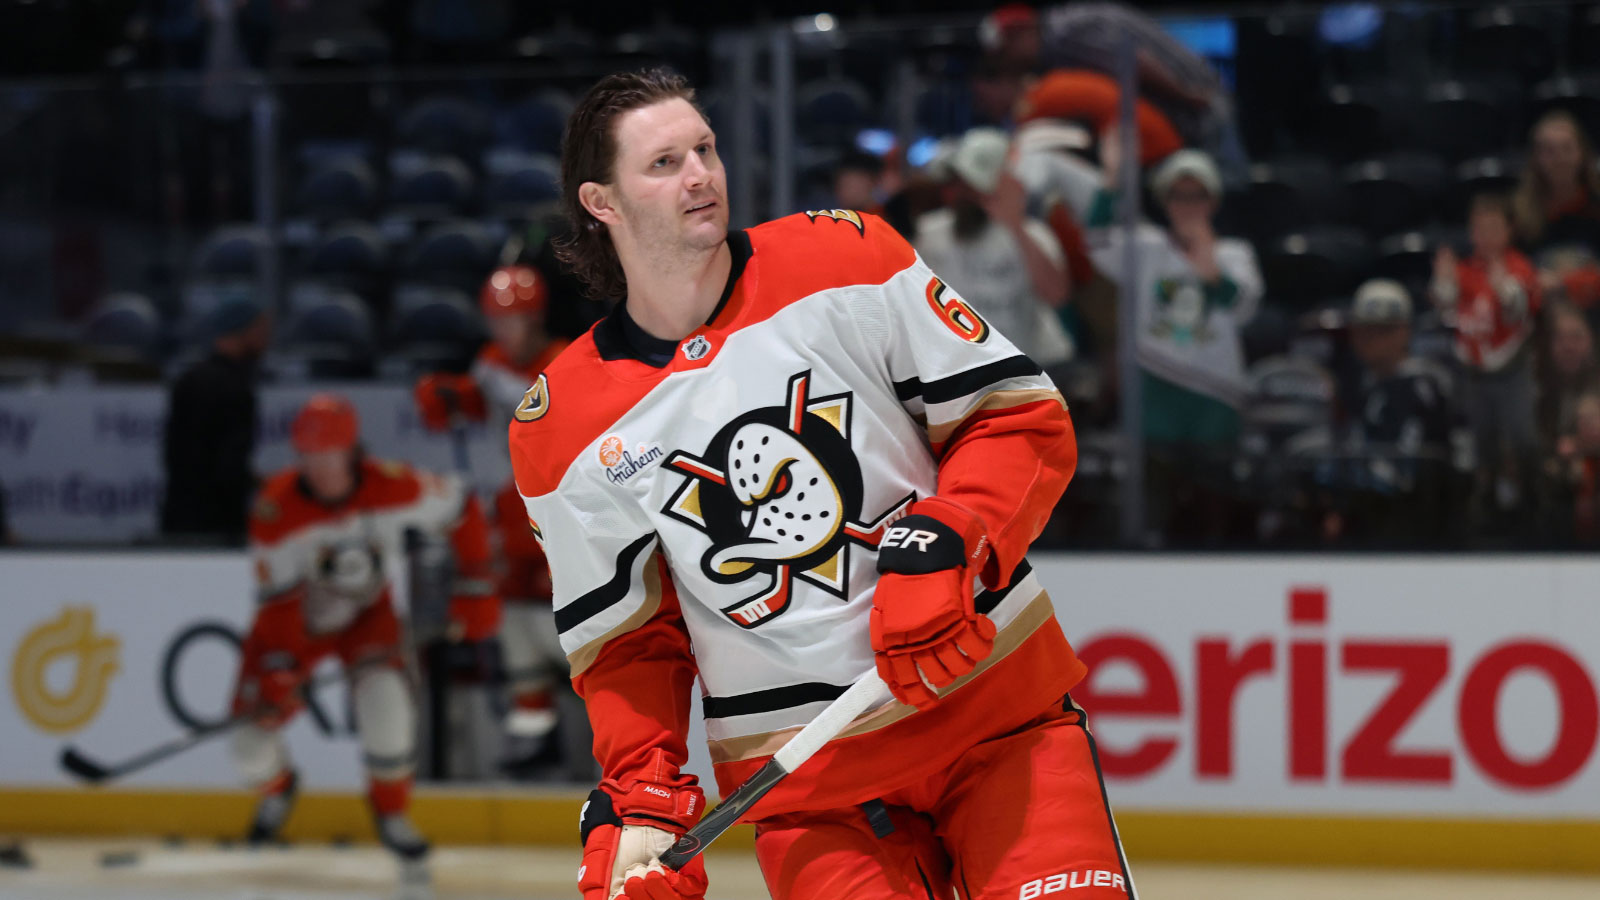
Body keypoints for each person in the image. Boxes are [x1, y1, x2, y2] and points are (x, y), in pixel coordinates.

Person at [513, 68, 1129, 900]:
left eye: (705, 148)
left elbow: (1017, 418)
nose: (700, 174)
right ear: (602, 202)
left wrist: (948, 538)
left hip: (996, 719)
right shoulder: (562, 426)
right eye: (664, 163)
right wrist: (643, 804)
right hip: (814, 793)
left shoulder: (844, 258)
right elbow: (625, 644)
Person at [232, 393, 500, 886]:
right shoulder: (276, 510)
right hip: (297, 627)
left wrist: (474, 585)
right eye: (309, 454)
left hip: (367, 619)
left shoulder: (393, 486)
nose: (319, 466)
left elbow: (461, 505)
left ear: (352, 450)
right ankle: (278, 787)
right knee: (249, 739)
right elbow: (277, 606)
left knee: (388, 708)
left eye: (329, 453)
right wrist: (281, 665)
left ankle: (391, 814)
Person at [1089, 149, 1261, 542]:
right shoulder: (1146, 247)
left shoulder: (1235, 254)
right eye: (1178, 196)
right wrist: (1112, 182)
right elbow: (1097, 243)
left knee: (1212, 512)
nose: (1187, 206)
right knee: (1155, 509)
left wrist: (1207, 261)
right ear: (1166, 202)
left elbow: (1241, 307)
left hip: (1213, 399)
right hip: (1156, 396)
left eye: (1196, 196)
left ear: (1212, 202)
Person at [915, 127, 1074, 369]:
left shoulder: (1032, 234)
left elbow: (1056, 295)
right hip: (956, 373)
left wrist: (1015, 227)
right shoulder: (929, 233)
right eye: (960, 182)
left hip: (1025, 371)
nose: (962, 193)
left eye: (973, 185)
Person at [1430, 193, 1542, 516]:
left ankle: (1532, 499)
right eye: (1481, 229)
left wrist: (1506, 289)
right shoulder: (1466, 271)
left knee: (1522, 436)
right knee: (1482, 439)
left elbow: (1521, 310)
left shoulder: (1519, 267)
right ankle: (1485, 498)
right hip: (1474, 372)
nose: (1488, 236)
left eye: (1495, 228)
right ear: (1471, 233)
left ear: (1509, 231)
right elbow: (1447, 308)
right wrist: (1444, 284)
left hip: (1511, 370)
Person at [1338, 280, 1470, 546]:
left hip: (1418, 522)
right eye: (1364, 330)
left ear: (1404, 332)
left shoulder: (1425, 386)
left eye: (1382, 330)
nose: (1370, 339)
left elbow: (1411, 470)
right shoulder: (1357, 385)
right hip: (1368, 516)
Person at [160, 296, 270, 544]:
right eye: (261, 330)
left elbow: (179, 455)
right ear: (242, 330)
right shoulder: (236, 388)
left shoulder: (188, 380)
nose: (266, 339)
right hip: (218, 527)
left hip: (179, 519)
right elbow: (228, 465)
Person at [1538, 303, 1600, 451]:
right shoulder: (1532, 389)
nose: (1568, 347)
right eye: (1560, 338)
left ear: (1591, 340)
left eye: (1576, 337)